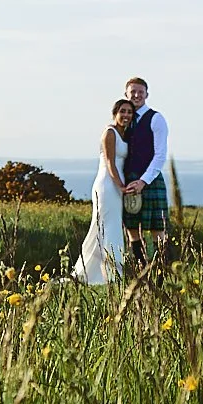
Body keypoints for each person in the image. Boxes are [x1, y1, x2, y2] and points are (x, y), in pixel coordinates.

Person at [73, 98, 135, 284]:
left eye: (129, 112)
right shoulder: (110, 132)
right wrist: (121, 186)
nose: (126, 115)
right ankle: (102, 274)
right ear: (115, 113)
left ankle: (108, 272)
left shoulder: (124, 134)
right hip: (108, 185)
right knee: (105, 226)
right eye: (122, 111)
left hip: (116, 184)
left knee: (112, 226)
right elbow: (109, 163)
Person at [119, 76, 170, 264]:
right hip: (129, 181)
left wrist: (144, 181)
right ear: (126, 94)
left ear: (147, 94)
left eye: (140, 92)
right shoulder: (124, 120)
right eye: (133, 92)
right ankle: (142, 271)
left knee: (158, 230)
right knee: (132, 229)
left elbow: (160, 155)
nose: (137, 95)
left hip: (150, 179)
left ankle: (161, 275)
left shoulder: (156, 119)